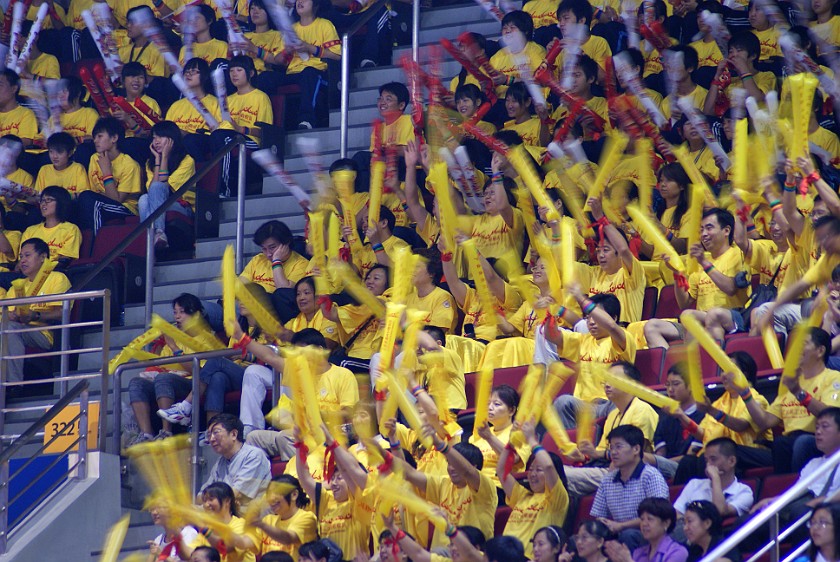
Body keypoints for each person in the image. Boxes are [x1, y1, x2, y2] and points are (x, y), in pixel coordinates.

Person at [644, 208, 750, 349]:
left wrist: (704, 263)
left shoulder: (738, 254)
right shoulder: (701, 264)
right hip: (701, 319)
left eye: (709, 228)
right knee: (652, 326)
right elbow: (684, 303)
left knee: (700, 315)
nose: (704, 234)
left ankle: (702, 366)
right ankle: (673, 368)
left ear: (726, 231)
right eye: (701, 230)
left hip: (731, 316)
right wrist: (677, 273)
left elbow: (731, 288)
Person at [741, 327, 840, 472]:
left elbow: (831, 414)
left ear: (820, 351)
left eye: (803, 343)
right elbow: (765, 421)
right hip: (788, 441)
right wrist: (744, 392)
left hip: (817, 438)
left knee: (800, 443)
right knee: (779, 444)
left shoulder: (833, 378)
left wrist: (798, 392)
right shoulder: (791, 384)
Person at [563, 362, 659, 497]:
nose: (607, 385)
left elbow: (634, 454)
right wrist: (584, 457)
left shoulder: (642, 410)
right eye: (606, 380)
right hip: (605, 468)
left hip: (627, 472)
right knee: (550, 472)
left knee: (556, 474)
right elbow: (602, 452)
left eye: (614, 380)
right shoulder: (613, 414)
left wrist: (597, 455)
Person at [546, 288, 637, 429]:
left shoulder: (624, 339)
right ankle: (575, 449)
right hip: (584, 406)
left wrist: (581, 298)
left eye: (596, 317)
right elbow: (551, 336)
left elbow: (612, 328)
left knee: (621, 401)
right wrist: (550, 312)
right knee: (562, 402)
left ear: (614, 317)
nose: (591, 322)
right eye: (588, 317)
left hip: (609, 403)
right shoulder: (583, 340)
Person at [127, 293, 208, 444]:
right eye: (175, 312)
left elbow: (201, 373)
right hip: (167, 380)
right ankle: (146, 435)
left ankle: (166, 431)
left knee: (164, 379)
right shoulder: (172, 336)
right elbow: (161, 365)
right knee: (136, 383)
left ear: (195, 315)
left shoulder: (204, 338)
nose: (177, 317)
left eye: (182, 312)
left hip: (191, 385)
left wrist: (174, 347)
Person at [248, 0, 341, 130]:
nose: (300, 2)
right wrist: (288, 50)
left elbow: (337, 55)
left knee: (309, 73)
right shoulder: (291, 29)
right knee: (265, 77)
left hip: (317, 73)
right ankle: (268, 128)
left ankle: (306, 119)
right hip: (292, 73)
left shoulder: (325, 25)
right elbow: (279, 60)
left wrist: (309, 47)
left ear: (315, 5)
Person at [2, 238, 70, 387]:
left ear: (42, 257)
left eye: (27, 255)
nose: (22, 261)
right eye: (20, 257)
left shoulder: (57, 278)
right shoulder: (16, 287)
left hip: (44, 334)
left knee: (10, 329)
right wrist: (12, 316)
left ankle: (12, 385)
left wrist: (36, 315)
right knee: (7, 326)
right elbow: (5, 314)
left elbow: (62, 312)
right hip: (21, 329)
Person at [498, 419, 570, 559]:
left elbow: (548, 466)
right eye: (531, 470)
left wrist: (531, 440)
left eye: (538, 470)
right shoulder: (522, 495)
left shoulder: (557, 499)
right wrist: (511, 443)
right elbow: (501, 471)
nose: (532, 474)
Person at [590, 424, 669, 550]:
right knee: (587, 538)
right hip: (618, 531)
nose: (613, 452)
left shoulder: (651, 476)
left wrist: (622, 526)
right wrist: (604, 524)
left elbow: (659, 515)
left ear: (636, 449)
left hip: (647, 535)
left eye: (619, 447)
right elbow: (598, 515)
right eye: (611, 448)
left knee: (629, 535)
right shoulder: (608, 480)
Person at [672, 438, 754, 542]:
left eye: (713, 459)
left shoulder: (744, 492)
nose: (708, 465)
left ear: (732, 461)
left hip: (715, 541)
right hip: (683, 534)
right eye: (706, 460)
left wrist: (715, 478)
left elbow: (719, 510)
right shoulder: (694, 484)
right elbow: (676, 513)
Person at [78, 117, 143, 234]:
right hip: (101, 201)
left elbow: (116, 200)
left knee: (90, 200)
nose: (95, 141)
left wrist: (107, 172)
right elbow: (94, 192)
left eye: (100, 136)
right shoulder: (94, 158)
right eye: (94, 137)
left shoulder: (130, 165)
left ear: (114, 138)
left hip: (126, 208)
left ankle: (97, 244)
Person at [140, 120, 197, 250]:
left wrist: (164, 157)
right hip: (160, 204)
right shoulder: (150, 163)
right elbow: (152, 191)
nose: (156, 141)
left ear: (172, 139)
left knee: (153, 193)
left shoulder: (187, 160)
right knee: (143, 199)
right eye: (154, 138)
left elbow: (165, 188)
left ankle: (155, 235)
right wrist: (157, 160)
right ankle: (157, 237)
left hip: (183, 206)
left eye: (160, 137)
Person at [645, 363, 705, 480]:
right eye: (667, 385)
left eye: (676, 384)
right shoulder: (665, 417)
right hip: (667, 468)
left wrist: (657, 462)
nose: (670, 390)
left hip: (690, 467)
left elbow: (691, 455)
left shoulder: (704, 415)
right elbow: (660, 453)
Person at [200, 414, 271, 510]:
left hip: (250, 517)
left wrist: (210, 500)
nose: (211, 439)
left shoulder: (254, 455)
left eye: (216, 432)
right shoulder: (220, 462)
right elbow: (201, 496)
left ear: (233, 434)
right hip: (225, 512)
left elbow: (236, 494)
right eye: (209, 435)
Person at [470, 384, 529, 488]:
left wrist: (489, 438)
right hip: (474, 485)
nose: (490, 408)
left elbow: (512, 459)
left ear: (511, 410)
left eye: (497, 404)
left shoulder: (521, 434)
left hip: (500, 487)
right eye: (488, 404)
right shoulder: (480, 434)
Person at [248, 475, 318, 560]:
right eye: (269, 493)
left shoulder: (307, 518)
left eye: (277, 492)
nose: (271, 498)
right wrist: (230, 537)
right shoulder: (268, 519)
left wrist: (261, 525)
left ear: (294, 495)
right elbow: (249, 543)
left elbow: (288, 538)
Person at [603, 498, 688, 562]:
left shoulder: (677, 552)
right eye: (642, 519)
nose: (644, 524)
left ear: (666, 523)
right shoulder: (638, 553)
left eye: (650, 519)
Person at [192, 481, 258, 561]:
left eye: (211, 499)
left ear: (227, 501)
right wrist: (177, 533)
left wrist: (202, 527)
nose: (206, 504)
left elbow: (226, 548)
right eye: (205, 501)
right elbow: (190, 553)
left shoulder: (242, 525)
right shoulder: (209, 527)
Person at [21, 186, 82, 268]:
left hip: (53, 273)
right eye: (42, 200)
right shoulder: (30, 231)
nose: (43, 203)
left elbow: (65, 260)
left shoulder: (71, 229)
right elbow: (21, 259)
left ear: (61, 203)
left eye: (49, 200)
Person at [34, 132, 90, 199]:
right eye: (51, 152)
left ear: (70, 153)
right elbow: (38, 196)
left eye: (59, 152)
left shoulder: (78, 169)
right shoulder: (44, 170)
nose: (54, 156)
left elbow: (83, 196)